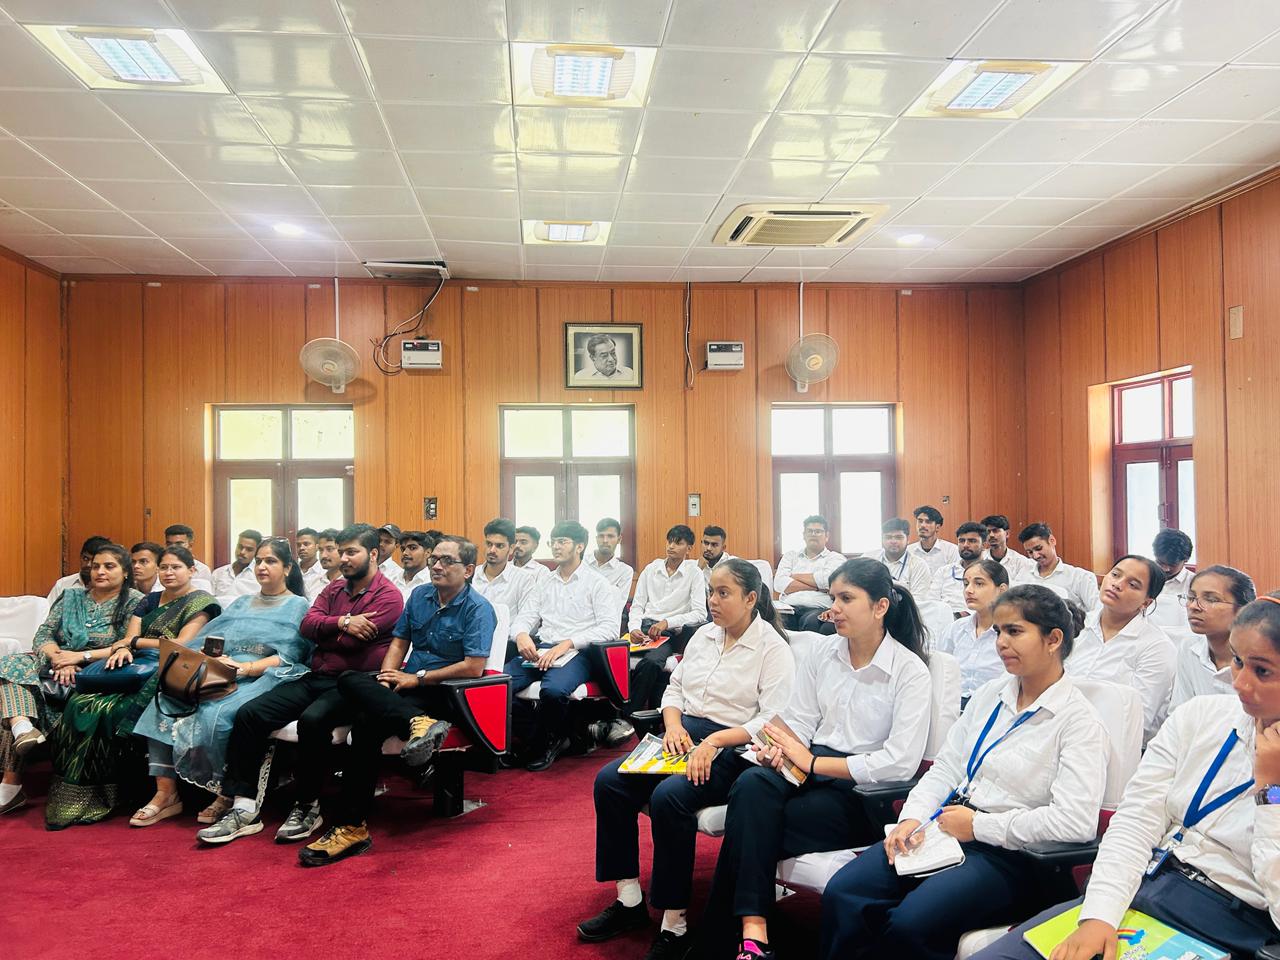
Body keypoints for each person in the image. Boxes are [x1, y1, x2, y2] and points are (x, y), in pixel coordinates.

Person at [970, 592, 1280, 960]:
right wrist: (1099, 917)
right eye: (1238, 661)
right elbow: (1135, 822)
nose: (1239, 683)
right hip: (1141, 887)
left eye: (1263, 671)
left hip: (1231, 924)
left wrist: (1271, 792)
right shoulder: (1200, 717)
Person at [820, 585, 1107, 960]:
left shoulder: (1078, 721)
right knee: (846, 891)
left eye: (1014, 631)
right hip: (947, 826)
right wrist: (911, 818)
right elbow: (946, 768)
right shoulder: (991, 695)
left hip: (1011, 854)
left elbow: (1075, 823)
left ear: (1053, 639)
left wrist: (979, 827)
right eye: (999, 631)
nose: (1001, 643)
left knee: (912, 923)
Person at [698, 558, 933, 960]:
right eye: (833, 598)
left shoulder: (909, 671)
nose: (833, 609)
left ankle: (729, 939)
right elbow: (800, 718)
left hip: (859, 791)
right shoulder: (825, 651)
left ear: (880, 607)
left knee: (751, 823)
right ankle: (753, 931)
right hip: (808, 763)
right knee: (751, 783)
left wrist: (809, 763)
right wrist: (777, 746)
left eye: (846, 599)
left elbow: (898, 763)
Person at [579, 560, 795, 960]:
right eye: (711, 592)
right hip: (685, 732)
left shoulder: (773, 649)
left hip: (734, 744)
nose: (713, 601)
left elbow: (771, 719)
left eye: (723, 593)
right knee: (609, 782)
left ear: (751, 598)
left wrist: (713, 742)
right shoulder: (703, 637)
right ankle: (629, 901)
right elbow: (674, 689)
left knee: (670, 797)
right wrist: (673, 725)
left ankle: (674, 923)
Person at [197, 524, 403, 846]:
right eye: (341, 551)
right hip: (315, 676)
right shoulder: (334, 589)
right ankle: (244, 808)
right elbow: (307, 625)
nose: (343, 558)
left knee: (312, 720)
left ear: (373, 554)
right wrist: (343, 622)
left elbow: (349, 644)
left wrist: (327, 632)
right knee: (250, 713)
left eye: (352, 552)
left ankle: (307, 805)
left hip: (353, 684)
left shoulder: (389, 596)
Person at [298, 535, 497, 867]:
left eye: (447, 561)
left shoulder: (479, 609)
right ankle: (415, 724)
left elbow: (473, 667)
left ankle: (351, 826)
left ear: (468, 570)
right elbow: (399, 643)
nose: (437, 566)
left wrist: (416, 679)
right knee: (350, 681)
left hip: (446, 691)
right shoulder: (419, 596)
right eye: (434, 559)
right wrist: (388, 677)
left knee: (365, 723)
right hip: (408, 687)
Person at [130, 538, 312, 826]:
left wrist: (247, 668)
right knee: (165, 701)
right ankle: (166, 794)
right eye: (259, 561)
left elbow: (290, 655)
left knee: (220, 713)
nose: (262, 567)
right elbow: (214, 638)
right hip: (221, 670)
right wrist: (212, 657)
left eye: (271, 561)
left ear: (288, 568)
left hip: (263, 675)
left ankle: (226, 792)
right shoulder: (242, 602)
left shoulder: (297, 605)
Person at [52, 546, 219, 829]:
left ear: (192, 570)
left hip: (173, 668)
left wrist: (133, 643)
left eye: (176, 567)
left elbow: (181, 644)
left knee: (117, 708)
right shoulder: (149, 600)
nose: (168, 573)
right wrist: (123, 648)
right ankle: (95, 791)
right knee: (83, 703)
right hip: (134, 666)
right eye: (164, 567)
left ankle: (151, 792)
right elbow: (127, 639)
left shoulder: (201, 602)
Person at [0, 545, 142, 819]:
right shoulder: (71, 596)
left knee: (12, 693)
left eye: (109, 566)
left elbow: (126, 644)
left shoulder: (134, 602)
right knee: (9, 665)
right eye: (96, 566)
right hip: (55, 665)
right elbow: (44, 635)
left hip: (96, 670)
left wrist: (77, 658)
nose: (100, 571)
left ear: (125, 572)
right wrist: (59, 659)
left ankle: (11, 782)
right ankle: (23, 728)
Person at [504, 520, 624, 772]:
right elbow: (525, 617)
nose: (556, 547)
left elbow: (610, 628)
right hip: (542, 648)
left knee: (553, 691)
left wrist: (569, 643)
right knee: (498, 685)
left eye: (562, 542)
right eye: (553, 542)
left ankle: (547, 741)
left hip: (577, 652)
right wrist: (522, 634)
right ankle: (546, 736)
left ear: (579, 546)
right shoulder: (545, 582)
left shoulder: (596, 582)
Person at [1066, 554, 1174, 744]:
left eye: (1132, 584)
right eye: (1115, 575)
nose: (1117, 584)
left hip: (1115, 743)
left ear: (1146, 602)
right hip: (1059, 729)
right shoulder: (1077, 625)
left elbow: (1139, 720)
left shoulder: (1157, 647)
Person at [627, 525, 710, 709]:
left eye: (678, 543)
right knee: (610, 655)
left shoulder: (694, 573)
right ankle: (611, 712)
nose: (671, 546)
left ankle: (630, 714)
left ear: (689, 548)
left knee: (652, 662)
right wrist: (633, 628)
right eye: (670, 541)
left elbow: (700, 613)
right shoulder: (651, 569)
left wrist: (667, 622)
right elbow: (637, 606)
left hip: (667, 634)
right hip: (642, 629)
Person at [1171, 564, 1256, 708]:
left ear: (1243, 610)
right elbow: (1179, 711)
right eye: (1191, 597)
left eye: (1211, 600)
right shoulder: (1189, 647)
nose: (1193, 606)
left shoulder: (1262, 656)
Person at [934, 558, 1010, 707]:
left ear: (1002, 590)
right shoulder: (956, 629)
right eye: (966, 584)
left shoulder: (1012, 634)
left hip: (994, 706)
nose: (968, 590)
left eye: (979, 584)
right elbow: (940, 670)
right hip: (953, 705)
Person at [774, 515, 844, 632]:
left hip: (818, 607)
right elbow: (780, 584)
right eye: (809, 531)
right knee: (773, 621)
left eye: (818, 531)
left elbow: (828, 581)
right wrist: (818, 587)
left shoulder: (835, 558)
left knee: (812, 623)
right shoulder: (790, 556)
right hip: (788, 607)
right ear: (804, 535)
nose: (813, 534)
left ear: (827, 536)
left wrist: (794, 576)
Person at [1013, 523, 1100, 612]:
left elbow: (1097, 611)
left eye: (1038, 548)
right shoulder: (1023, 575)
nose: (1035, 556)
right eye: (1030, 552)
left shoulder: (1079, 577)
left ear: (1052, 541)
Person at [472, 517, 535, 621]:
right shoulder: (472, 575)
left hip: (509, 631)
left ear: (511, 549)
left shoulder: (523, 579)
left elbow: (527, 617)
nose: (492, 550)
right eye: (489, 544)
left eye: (499, 546)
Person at [931, 522, 990, 616]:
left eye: (972, 541)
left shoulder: (993, 572)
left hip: (978, 619)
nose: (965, 545)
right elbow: (932, 602)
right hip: (943, 619)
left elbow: (994, 604)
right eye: (961, 541)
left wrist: (961, 615)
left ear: (984, 545)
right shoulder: (944, 571)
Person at [1147, 528, 1195, 643]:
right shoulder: (1144, 578)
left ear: (1186, 560)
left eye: (1172, 565)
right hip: (1146, 640)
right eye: (1160, 563)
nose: (1165, 569)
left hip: (1181, 643)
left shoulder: (1194, 583)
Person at [868, 517, 932, 599]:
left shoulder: (919, 565)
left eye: (898, 537)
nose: (893, 541)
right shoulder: (869, 559)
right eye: (888, 537)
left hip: (904, 606)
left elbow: (919, 599)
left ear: (908, 539)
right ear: (882, 539)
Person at [46, 534, 112, 603]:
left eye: (93, 560)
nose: (88, 564)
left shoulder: (112, 587)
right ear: (80, 557)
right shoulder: (63, 584)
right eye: (85, 558)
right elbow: (49, 609)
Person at [586, 517, 635, 602]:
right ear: (596, 539)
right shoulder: (581, 562)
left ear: (619, 539)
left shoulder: (625, 571)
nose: (605, 540)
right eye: (601, 536)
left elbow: (617, 605)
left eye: (610, 536)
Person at [211, 528, 264, 605]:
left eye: (249, 549)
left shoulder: (260, 575)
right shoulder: (218, 573)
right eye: (240, 547)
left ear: (257, 552)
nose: (242, 552)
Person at [908, 505, 960, 575]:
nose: (922, 525)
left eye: (928, 522)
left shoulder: (951, 550)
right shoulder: (908, 551)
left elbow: (954, 578)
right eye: (920, 521)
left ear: (937, 527)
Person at [981, 515, 1035, 580]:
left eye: (995, 531)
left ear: (1007, 534)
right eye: (988, 532)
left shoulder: (1020, 561)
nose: (991, 535)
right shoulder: (980, 558)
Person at [387, 529, 432, 601]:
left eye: (412, 548)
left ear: (428, 553)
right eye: (403, 549)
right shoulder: (391, 579)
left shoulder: (432, 583)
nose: (405, 553)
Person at [296, 527, 328, 602]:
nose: (301, 548)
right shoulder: (291, 571)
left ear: (317, 547)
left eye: (306, 544)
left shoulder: (325, 572)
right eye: (298, 545)